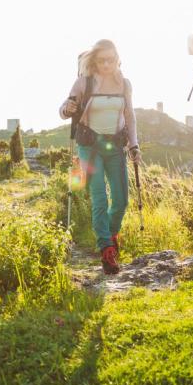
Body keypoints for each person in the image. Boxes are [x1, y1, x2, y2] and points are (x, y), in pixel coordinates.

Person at [60, 39, 141, 274]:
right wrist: (68, 109)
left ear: (118, 59)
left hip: (115, 146)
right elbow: (64, 109)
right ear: (94, 61)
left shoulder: (125, 84)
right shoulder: (84, 82)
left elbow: (131, 116)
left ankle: (111, 234)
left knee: (121, 200)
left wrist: (134, 145)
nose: (107, 64)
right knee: (99, 198)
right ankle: (106, 250)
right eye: (102, 60)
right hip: (90, 146)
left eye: (111, 59)